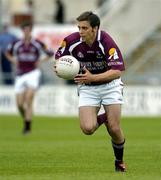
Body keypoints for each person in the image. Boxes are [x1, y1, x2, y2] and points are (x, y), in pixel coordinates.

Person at [54, 11, 126, 172]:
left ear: (95, 28)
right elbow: (59, 58)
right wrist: (60, 67)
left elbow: (117, 71)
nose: (80, 31)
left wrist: (93, 77)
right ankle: (106, 116)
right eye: (79, 27)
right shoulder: (71, 41)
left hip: (110, 85)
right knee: (88, 128)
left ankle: (119, 161)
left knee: (114, 128)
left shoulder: (106, 41)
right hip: (88, 87)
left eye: (85, 28)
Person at [5, 22, 54, 134]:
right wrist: (13, 60)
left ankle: (27, 127)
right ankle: (26, 117)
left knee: (29, 98)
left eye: (28, 30)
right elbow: (7, 53)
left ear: (31, 31)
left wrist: (40, 61)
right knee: (19, 104)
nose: (26, 32)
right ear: (22, 31)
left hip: (33, 73)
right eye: (25, 30)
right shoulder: (16, 43)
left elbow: (50, 52)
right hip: (20, 74)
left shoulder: (37, 43)